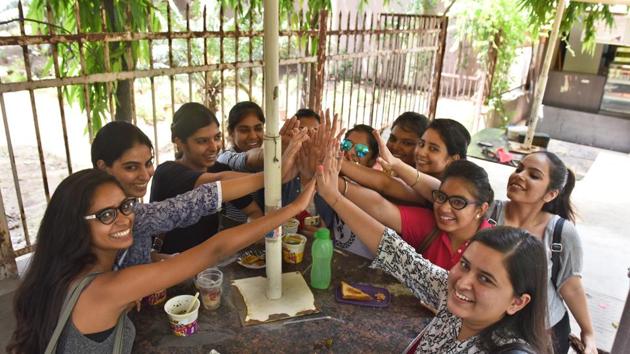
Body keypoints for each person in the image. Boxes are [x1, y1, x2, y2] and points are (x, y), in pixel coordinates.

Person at [7, 169, 315, 353]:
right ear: (74, 224)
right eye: (105, 215)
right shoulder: (105, 289)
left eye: (125, 206)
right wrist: (294, 208)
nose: (123, 219)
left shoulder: (60, 273)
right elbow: (214, 250)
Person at [314, 142, 551, 353]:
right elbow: (393, 249)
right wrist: (333, 196)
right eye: (465, 265)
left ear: (517, 302)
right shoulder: (450, 293)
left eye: (486, 279)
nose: (463, 281)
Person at [90, 120, 305, 268]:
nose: (145, 174)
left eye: (147, 163)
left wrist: (165, 261)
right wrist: (274, 178)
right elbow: (199, 201)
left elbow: (203, 200)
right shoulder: (166, 174)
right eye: (130, 167)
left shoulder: (134, 212)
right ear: (103, 167)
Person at [486, 152, 596, 354]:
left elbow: (570, 286)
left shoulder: (561, 233)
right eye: (519, 168)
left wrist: (588, 334)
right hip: (491, 327)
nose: (520, 175)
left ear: (551, 194)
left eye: (534, 175)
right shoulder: (487, 213)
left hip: (545, 333)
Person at [338, 159, 494, 268]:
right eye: (441, 197)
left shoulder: (495, 248)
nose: (444, 208)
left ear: (481, 209)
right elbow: (379, 207)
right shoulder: (430, 225)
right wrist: (328, 178)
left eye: (458, 202)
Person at [150, 102, 259, 253]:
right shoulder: (167, 173)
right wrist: (274, 175)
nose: (214, 147)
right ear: (179, 142)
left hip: (210, 267)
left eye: (217, 137)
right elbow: (215, 183)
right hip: (170, 267)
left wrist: (250, 233)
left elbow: (254, 212)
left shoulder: (220, 169)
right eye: (202, 141)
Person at [340, 118, 471, 205]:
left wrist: (332, 161)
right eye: (421, 144)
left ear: (453, 159)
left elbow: (384, 183)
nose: (421, 152)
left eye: (433, 149)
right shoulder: (397, 174)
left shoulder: (441, 191)